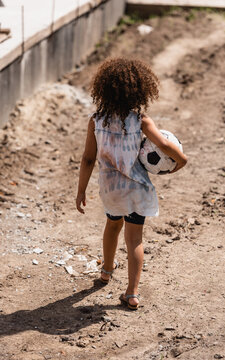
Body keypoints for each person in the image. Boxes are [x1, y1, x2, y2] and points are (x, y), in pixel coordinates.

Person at [76, 58, 187, 310]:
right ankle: (132, 293)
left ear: (102, 90)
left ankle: (106, 270)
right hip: (136, 189)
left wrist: (81, 190)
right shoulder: (141, 121)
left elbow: (87, 158)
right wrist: (182, 160)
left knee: (112, 226)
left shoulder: (96, 121)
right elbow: (165, 146)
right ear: (140, 90)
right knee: (134, 238)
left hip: (110, 189)